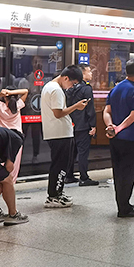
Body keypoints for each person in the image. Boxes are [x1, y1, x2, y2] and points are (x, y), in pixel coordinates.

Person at [103, 59, 134, 218]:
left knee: (119, 172)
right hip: (131, 139)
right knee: (128, 175)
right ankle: (124, 208)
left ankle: (122, 204)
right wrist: (120, 127)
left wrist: (110, 126)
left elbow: (107, 111)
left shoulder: (115, 89)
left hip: (116, 140)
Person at [41, 65, 87, 208]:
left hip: (55, 133)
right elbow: (58, 113)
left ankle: (56, 193)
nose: (70, 87)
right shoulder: (56, 90)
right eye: (72, 83)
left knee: (58, 164)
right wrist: (76, 106)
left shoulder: (48, 86)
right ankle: (54, 196)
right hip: (60, 133)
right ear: (66, 78)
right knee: (60, 166)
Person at [0, 127, 28, 225]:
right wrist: (2, 183)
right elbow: (9, 166)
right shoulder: (17, 139)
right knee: (8, 180)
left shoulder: (4, 134)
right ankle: (13, 214)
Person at [0, 87, 29, 185]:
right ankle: (11, 182)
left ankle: (1, 181)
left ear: (5, 98)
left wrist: (0, 94)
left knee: (0, 160)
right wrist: (10, 93)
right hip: (16, 138)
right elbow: (25, 91)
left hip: (1, 137)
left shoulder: (0, 106)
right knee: (14, 161)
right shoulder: (18, 106)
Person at [66, 64, 98, 186]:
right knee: (83, 152)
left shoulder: (70, 88)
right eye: (89, 71)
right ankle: (84, 177)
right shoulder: (86, 89)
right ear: (82, 74)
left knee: (72, 151)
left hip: (72, 124)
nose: (91, 74)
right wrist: (93, 125)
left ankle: (69, 175)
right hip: (83, 125)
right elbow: (89, 109)